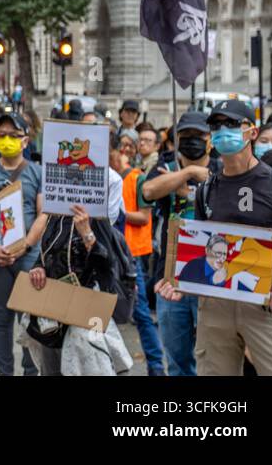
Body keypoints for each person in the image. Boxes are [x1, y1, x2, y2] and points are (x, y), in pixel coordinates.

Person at [156, 99, 272, 375]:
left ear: (252, 132)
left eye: (231, 124)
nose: (222, 131)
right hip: (214, 308)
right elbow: (201, 250)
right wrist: (180, 281)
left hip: (264, 304)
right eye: (216, 125)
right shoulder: (207, 189)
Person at [0, 111, 47, 375]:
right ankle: (4, 372)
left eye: (13, 136)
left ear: (25, 141)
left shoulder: (37, 172)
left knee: (28, 319)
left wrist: (25, 246)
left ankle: (30, 371)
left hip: (28, 257)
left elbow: (43, 214)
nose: (6, 140)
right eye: (2, 135)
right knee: (1, 319)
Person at [138, 111, 212, 375]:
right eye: (186, 136)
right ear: (176, 139)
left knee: (213, 359)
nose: (192, 141)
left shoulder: (222, 167)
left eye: (198, 136)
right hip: (168, 278)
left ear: (210, 140)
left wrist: (187, 192)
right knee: (178, 360)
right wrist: (189, 172)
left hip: (210, 279)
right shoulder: (167, 164)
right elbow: (149, 191)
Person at [25, 203, 122, 375]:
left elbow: (109, 268)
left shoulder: (97, 217)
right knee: (50, 369)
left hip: (85, 312)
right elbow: (47, 252)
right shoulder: (55, 213)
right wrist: (38, 267)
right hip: (52, 312)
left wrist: (87, 234)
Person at [115, 128, 164, 375]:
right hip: (110, 251)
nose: (124, 150)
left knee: (141, 310)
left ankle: (156, 365)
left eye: (129, 145)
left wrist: (115, 212)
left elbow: (144, 217)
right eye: (120, 146)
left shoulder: (137, 178)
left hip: (131, 253)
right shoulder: (106, 176)